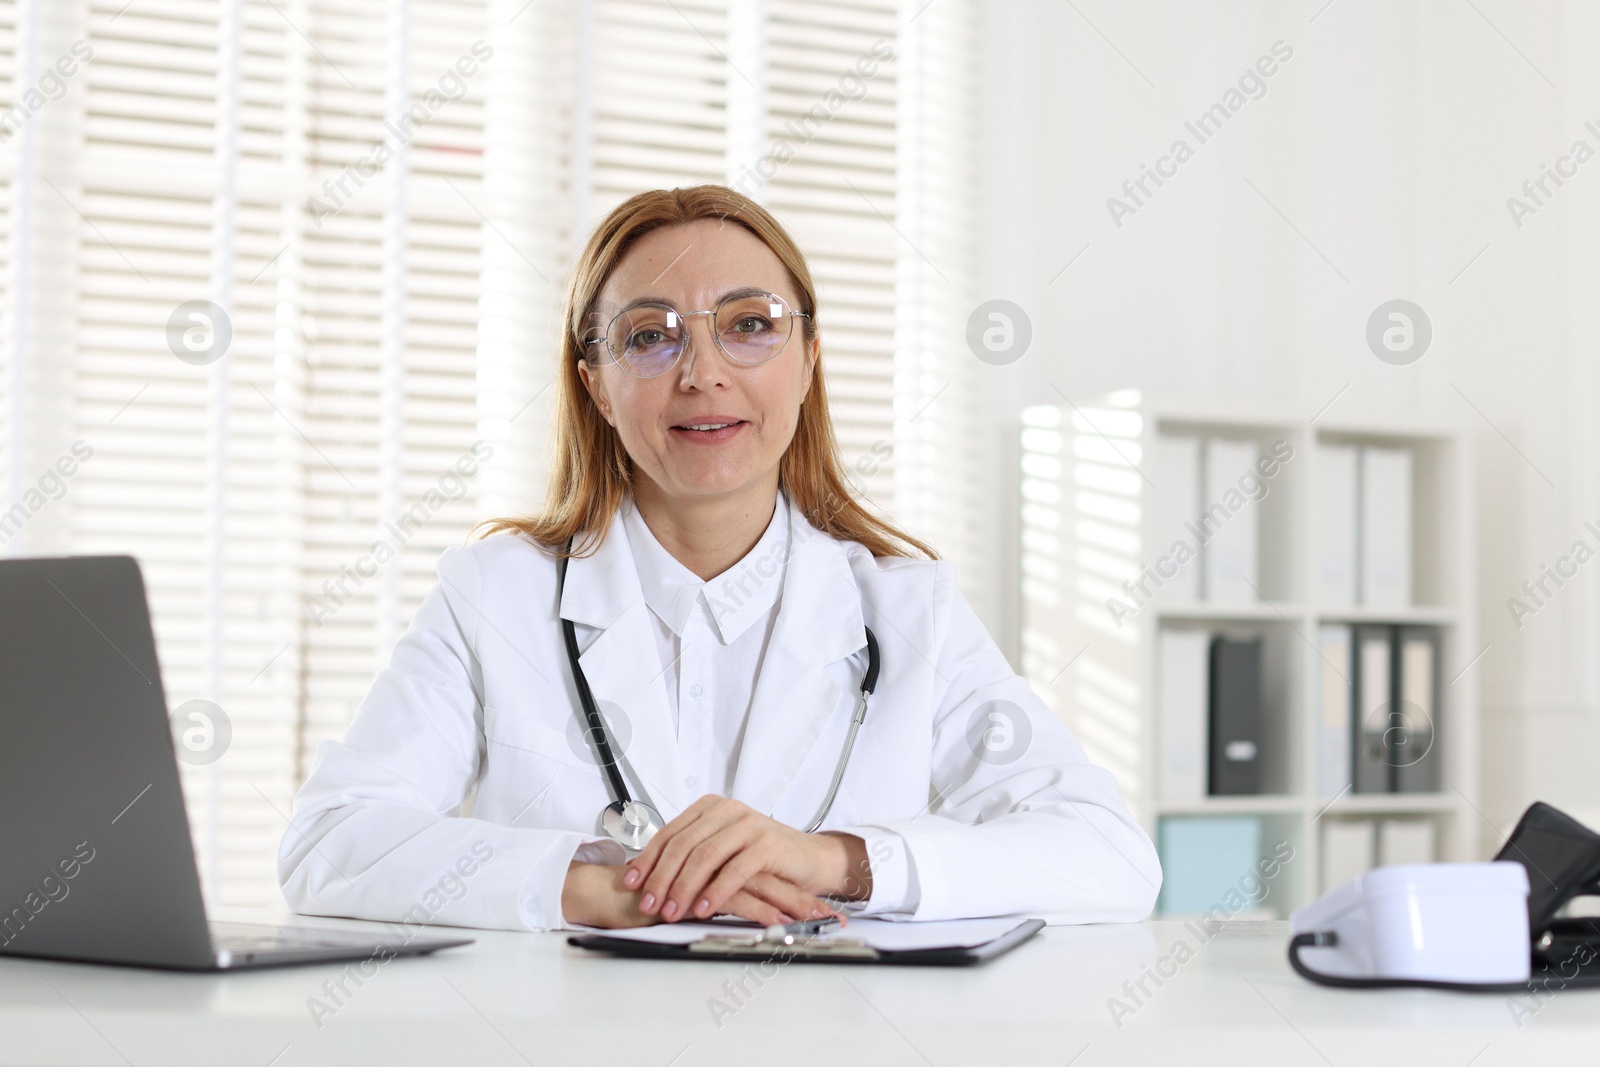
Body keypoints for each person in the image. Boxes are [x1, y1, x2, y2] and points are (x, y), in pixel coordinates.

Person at [278, 184, 1161, 931]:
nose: (703, 371)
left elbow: (1110, 856)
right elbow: (331, 843)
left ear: (808, 361)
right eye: (651, 335)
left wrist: (837, 862)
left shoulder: (906, 611)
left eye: (750, 324)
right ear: (595, 384)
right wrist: (608, 889)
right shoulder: (494, 597)